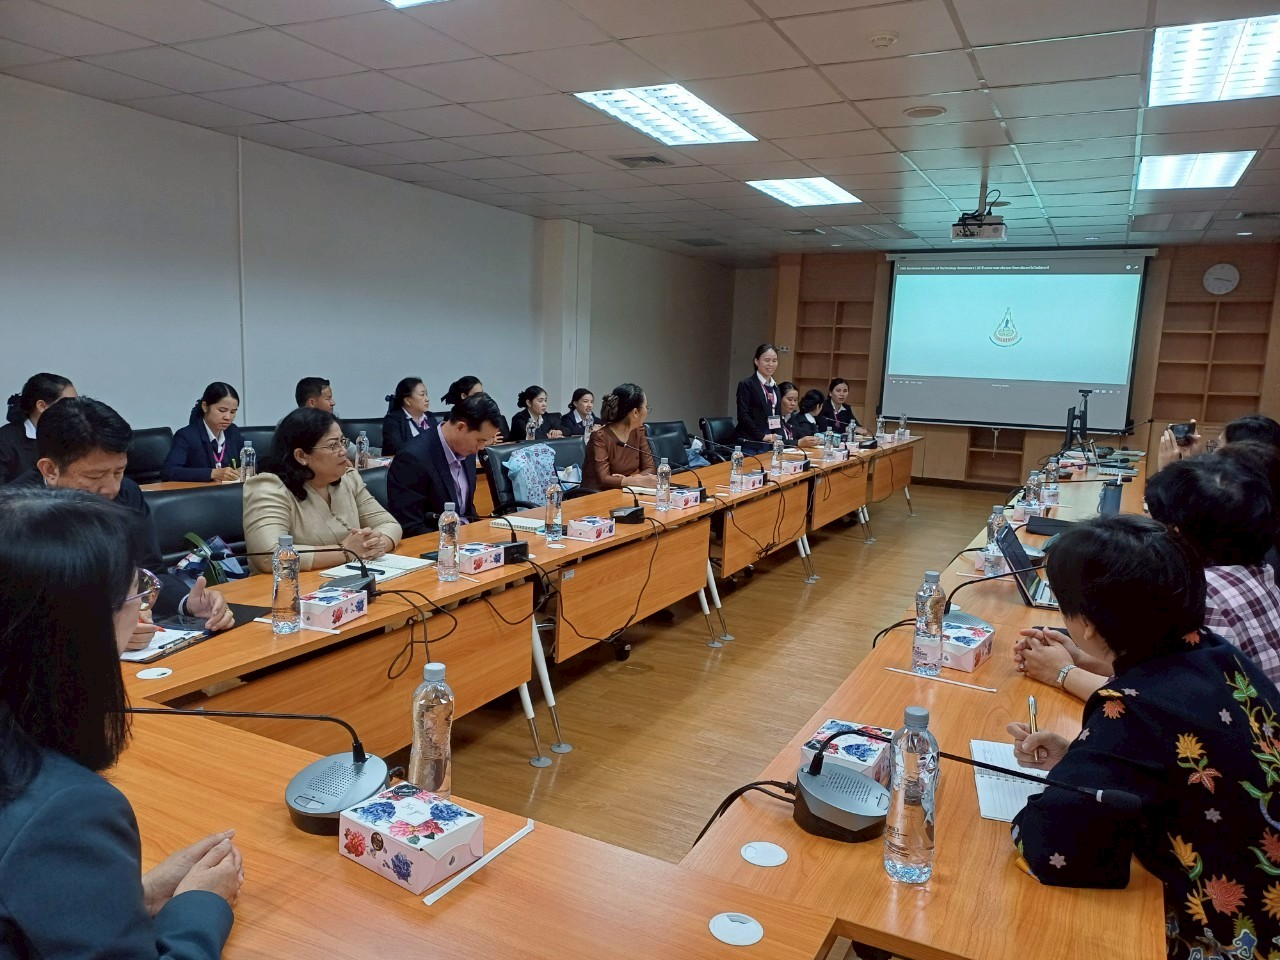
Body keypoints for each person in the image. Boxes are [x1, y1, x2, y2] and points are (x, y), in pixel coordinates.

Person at [1005, 514, 1280, 959]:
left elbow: (1055, 846)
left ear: (1088, 625)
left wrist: (1080, 771)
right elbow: (1177, 763)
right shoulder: (1215, 652)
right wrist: (1082, 754)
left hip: (1239, 934)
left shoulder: (1132, 707)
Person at [0, 486, 244, 957]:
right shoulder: (65, 809)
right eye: (138, 593)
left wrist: (133, 894)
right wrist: (200, 905)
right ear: (82, 623)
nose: (143, 606)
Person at [1016, 455, 1280, 694]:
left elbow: (1158, 701)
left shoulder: (1196, 592)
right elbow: (1161, 670)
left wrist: (1062, 672)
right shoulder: (1254, 571)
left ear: (1175, 534)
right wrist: (1082, 659)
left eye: (1149, 516)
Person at [7, 397, 233, 648]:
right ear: (50, 470)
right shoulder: (14, 516)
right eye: (95, 475)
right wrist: (103, 628)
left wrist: (187, 602)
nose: (111, 488)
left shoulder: (127, 493)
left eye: (118, 471)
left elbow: (149, 571)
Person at [243, 409, 401, 574]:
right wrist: (345, 551)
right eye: (333, 445)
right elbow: (268, 555)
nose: (343, 451)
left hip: (346, 579)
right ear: (301, 455)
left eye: (343, 442)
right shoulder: (268, 487)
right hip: (287, 585)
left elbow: (390, 525)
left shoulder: (348, 479)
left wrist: (372, 546)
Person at [387, 393, 504, 536]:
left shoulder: (467, 449)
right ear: (460, 427)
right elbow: (410, 526)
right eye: (480, 440)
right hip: (434, 542)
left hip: (467, 538)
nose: (481, 447)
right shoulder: (412, 458)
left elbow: (466, 511)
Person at [0, 372, 76, 484]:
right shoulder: (5, 441)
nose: (76, 410)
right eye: (68, 404)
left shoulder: (77, 436)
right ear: (42, 406)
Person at [161, 383, 244, 483]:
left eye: (233, 412)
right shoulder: (187, 435)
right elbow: (169, 472)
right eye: (222, 410)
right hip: (200, 491)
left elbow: (251, 459)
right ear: (205, 406)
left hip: (229, 489)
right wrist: (212, 473)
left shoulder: (232, 431)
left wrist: (246, 469)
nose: (228, 417)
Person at [584, 383, 656, 491]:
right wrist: (633, 481)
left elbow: (650, 468)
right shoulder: (600, 437)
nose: (646, 411)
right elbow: (604, 479)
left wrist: (629, 479)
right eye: (646, 407)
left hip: (627, 491)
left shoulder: (638, 431)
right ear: (635, 412)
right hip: (597, 495)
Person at [734, 344, 782, 446]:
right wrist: (761, 436)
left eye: (774, 360)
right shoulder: (747, 384)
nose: (771, 364)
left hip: (771, 440)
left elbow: (777, 415)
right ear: (756, 361)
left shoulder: (775, 387)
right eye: (767, 360)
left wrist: (778, 436)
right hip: (751, 440)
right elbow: (743, 415)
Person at [442, 376, 508, 442]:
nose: (482, 397)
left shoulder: (489, 416)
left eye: (482, 393)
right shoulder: (453, 418)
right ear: (464, 396)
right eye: (477, 394)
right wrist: (485, 442)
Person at [381, 377, 433, 457]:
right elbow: (398, 450)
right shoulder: (392, 421)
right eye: (422, 395)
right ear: (407, 401)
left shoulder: (430, 417)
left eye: (426, 394)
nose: (427, 399)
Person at [778, 383, 821, 449]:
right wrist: (798, 443)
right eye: (790, 399)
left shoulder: (790, 416)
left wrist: (810, 440)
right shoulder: (773, 417)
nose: (793, 403)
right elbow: (776, 441)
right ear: (779, 398)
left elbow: (800, 434)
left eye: (795, 400)